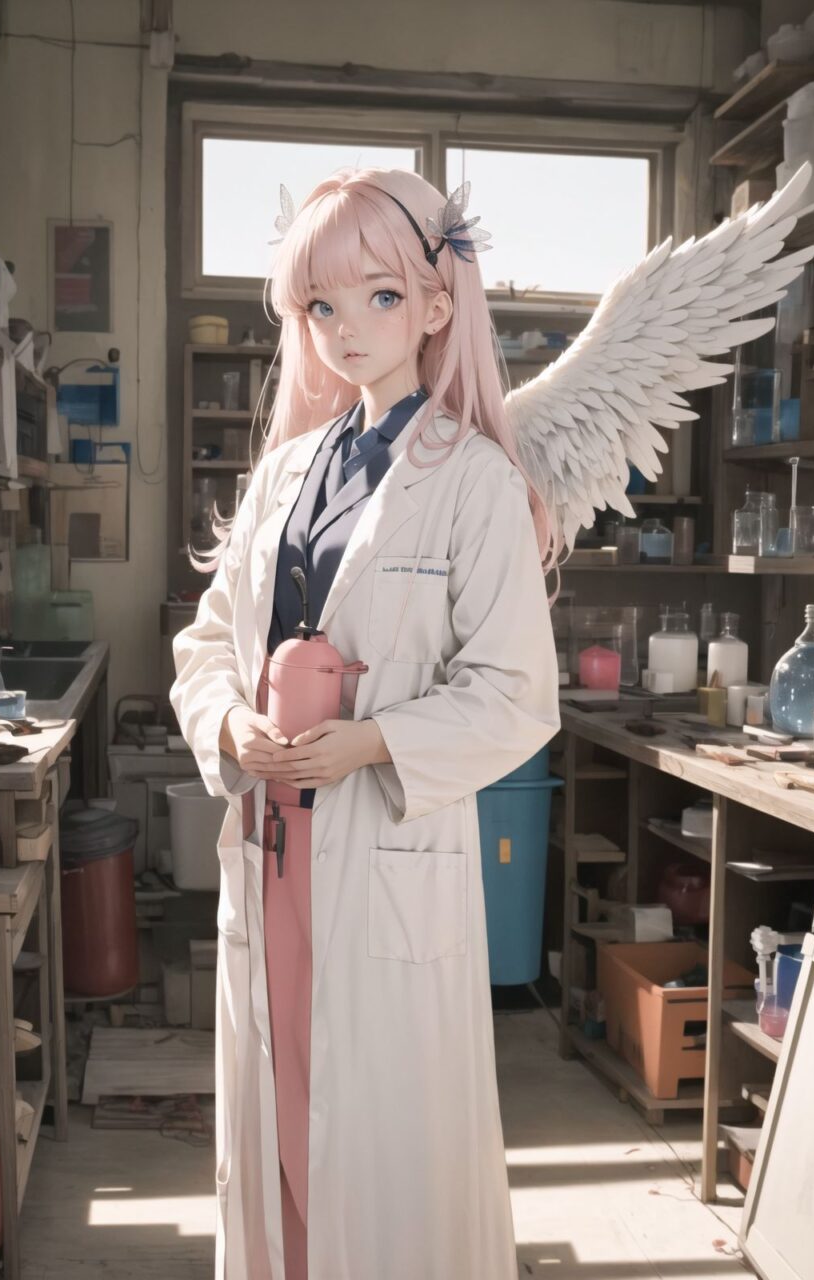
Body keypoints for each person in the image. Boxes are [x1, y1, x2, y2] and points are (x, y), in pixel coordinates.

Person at [169, 166, 561, 1280]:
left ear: (437, 307)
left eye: (379, 298)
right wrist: (229, 726)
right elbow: (204, 639)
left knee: (380, 1150)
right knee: (280, 1119)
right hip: (271, 852)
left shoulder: (474, 482)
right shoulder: (285, 472)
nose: (347, 329)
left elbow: (516, 691)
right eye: (321, 306)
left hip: (377, 850)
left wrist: (373, 741)